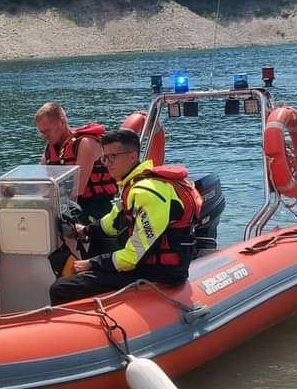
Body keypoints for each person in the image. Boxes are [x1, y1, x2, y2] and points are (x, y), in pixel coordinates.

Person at [49, 128, 202, 305]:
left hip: (159, 272)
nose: (107, 163)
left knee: (61, 288)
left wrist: (92, 263)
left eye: (112, 157)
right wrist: (84, 231)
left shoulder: (147, 193)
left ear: (132, 156)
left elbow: (132, 257)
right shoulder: (134, 184)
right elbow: (113, 221)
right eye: (105, 158)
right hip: (146, 264)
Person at [35, 102, 116, 222]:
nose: (44, 136)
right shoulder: (49, 151)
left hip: (95, 209)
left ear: (62, 122)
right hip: (66, 208)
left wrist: (47, 191)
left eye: (47, 131)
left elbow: (78, 189)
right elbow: (41, 185)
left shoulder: (85, 143)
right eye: (42, 132)